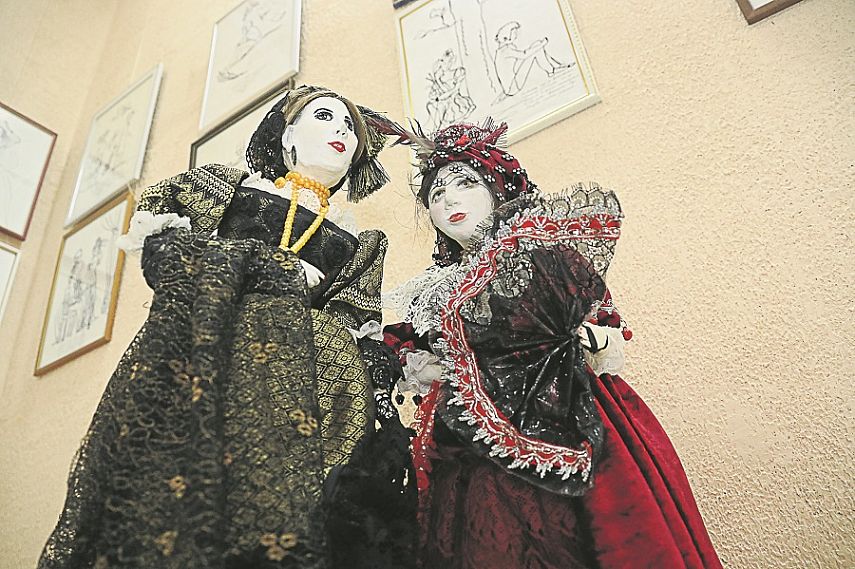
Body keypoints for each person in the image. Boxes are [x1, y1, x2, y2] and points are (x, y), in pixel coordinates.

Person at [38, 86, 415, 569]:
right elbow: (167, 256)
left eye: (350, 128)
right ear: (286, 134)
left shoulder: (360, 242)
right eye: (324, 116)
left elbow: (353, 329)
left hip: (308, 393)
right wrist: (270, 268)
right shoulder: (226, 189)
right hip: (212, 363)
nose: (342, 131)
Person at [382, 120, 723, 568]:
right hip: (471, 451)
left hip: (570, 417)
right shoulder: (432, 291)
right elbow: (408, 348)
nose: (449, 200)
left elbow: (603, 327)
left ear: (498, 187)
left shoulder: (542, 255)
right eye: (436, 194)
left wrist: (590, 337)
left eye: (465, 183)